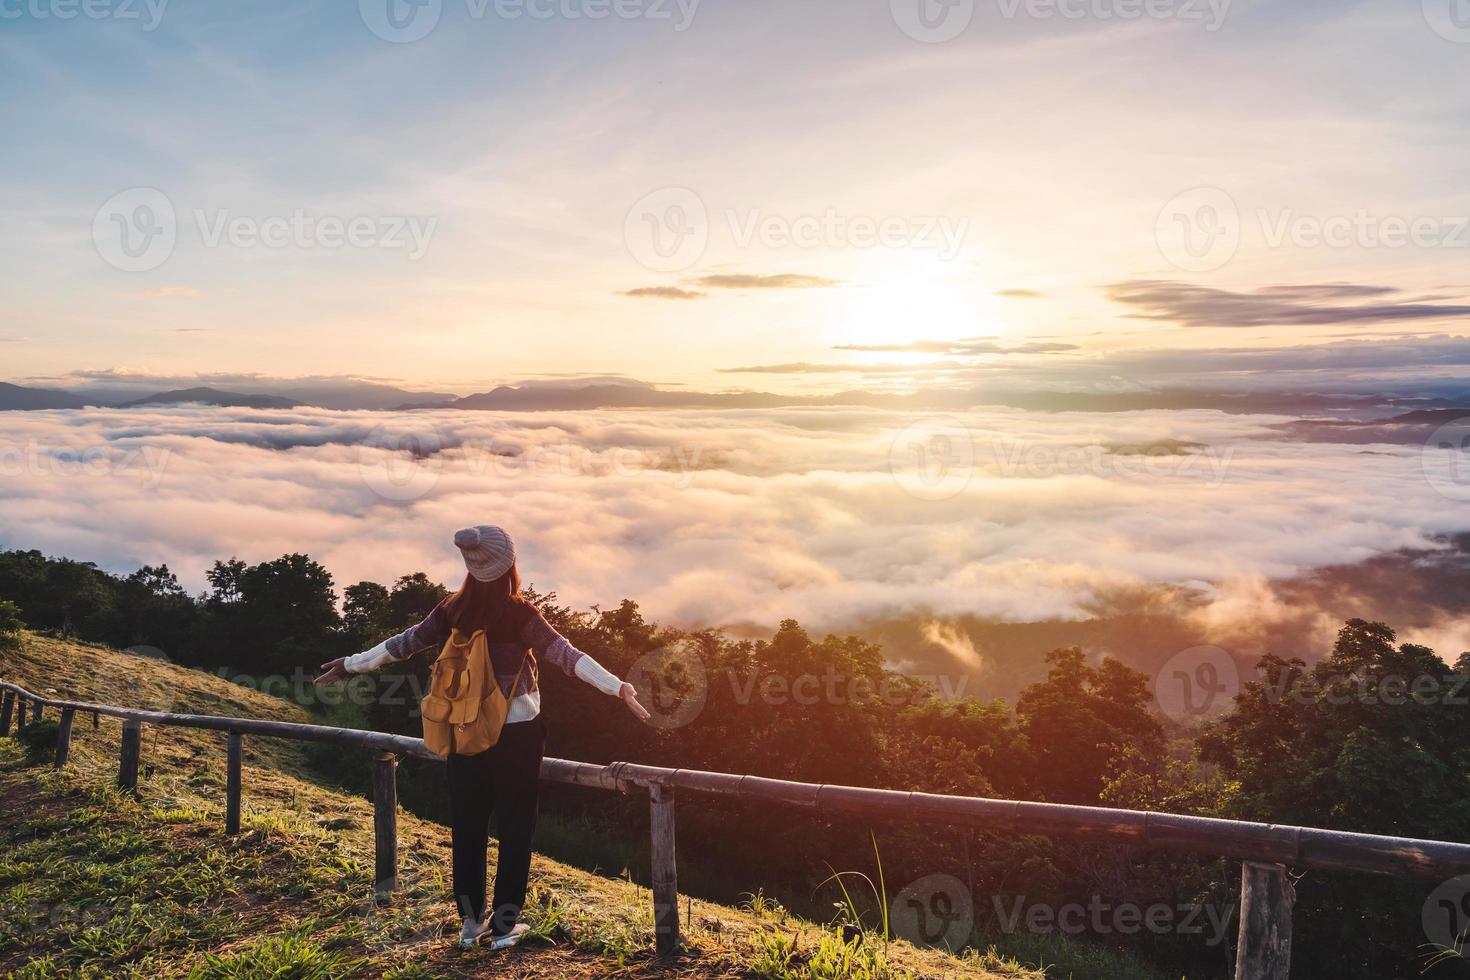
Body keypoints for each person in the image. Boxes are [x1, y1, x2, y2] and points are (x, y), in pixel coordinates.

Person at [315, 525, 650, 949]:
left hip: (464, 728)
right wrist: (617, 686)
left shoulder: (453, 609)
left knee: (468, 826)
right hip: (518, 737)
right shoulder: (520, 614)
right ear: (510, 563)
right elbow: (567, 656)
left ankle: (470, 924)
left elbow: (403, 644)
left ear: (471, 566)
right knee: (515, 828)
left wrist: (351, 663)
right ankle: (505, 927)